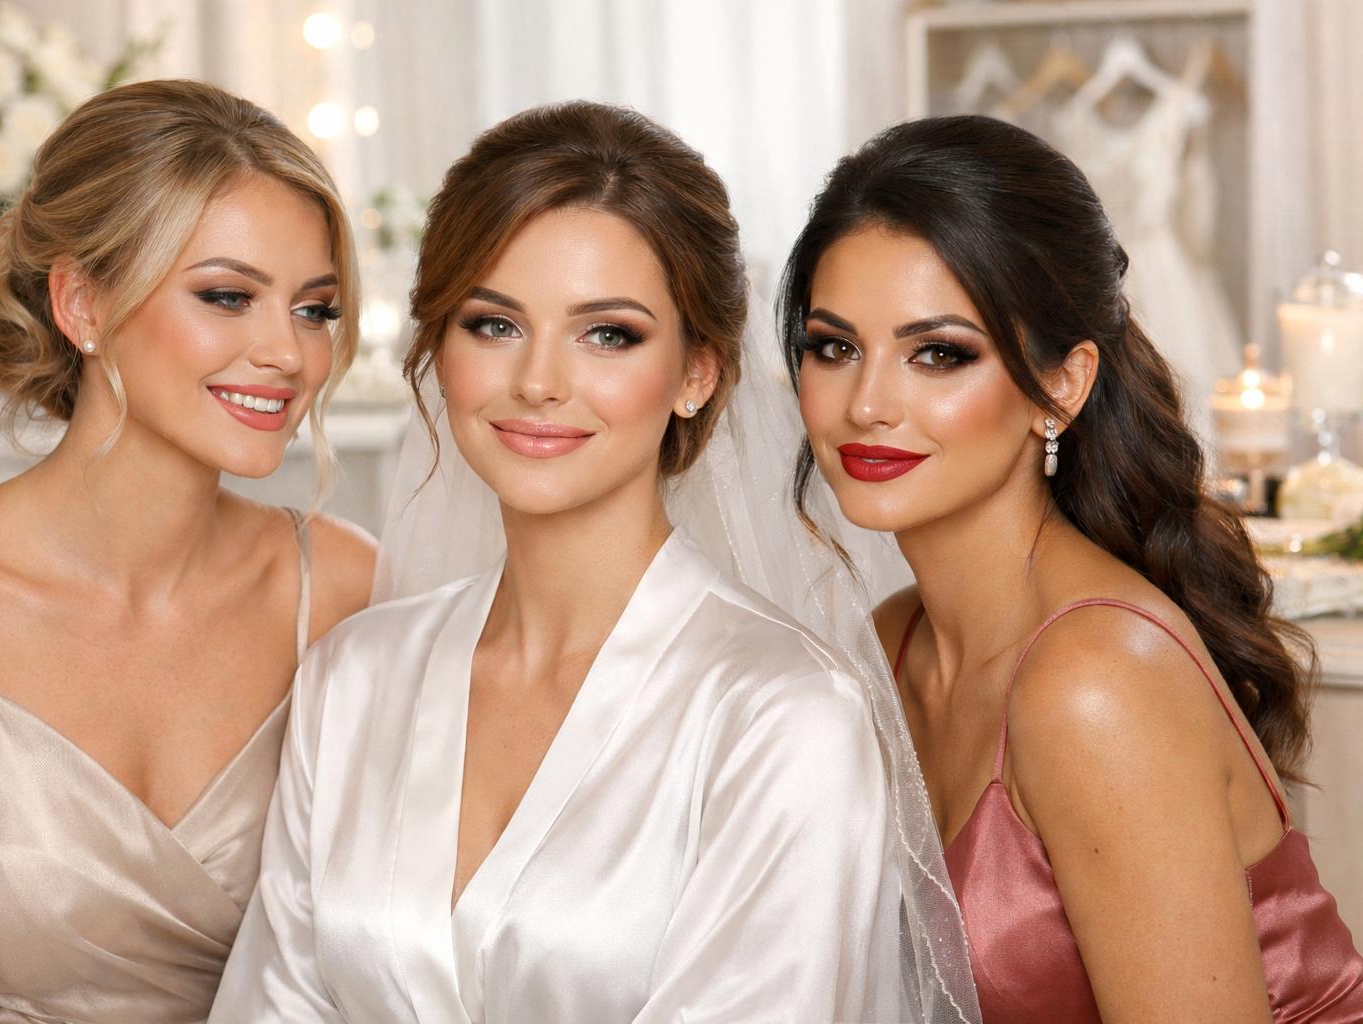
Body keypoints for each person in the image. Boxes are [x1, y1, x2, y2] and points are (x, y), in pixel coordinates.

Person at [212, 100, 972, 1024]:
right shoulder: (353, 676)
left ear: (697, 373)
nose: (539, 381)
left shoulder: (784, 715)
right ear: (437, 351)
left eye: (607, 334)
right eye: (493, 325)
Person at [784, 113, 1363, 1023]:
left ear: (1061, 385)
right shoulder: (893, 645)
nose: (867, 403)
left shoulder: (1094, 683)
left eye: (939, 353)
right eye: (836, 346)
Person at [0, 80, 375, 1023]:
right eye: (228, 296)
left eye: (314, 309)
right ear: (80, 302)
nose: (288, 353)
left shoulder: (345, 591)